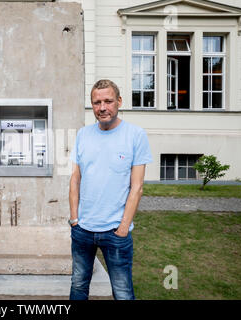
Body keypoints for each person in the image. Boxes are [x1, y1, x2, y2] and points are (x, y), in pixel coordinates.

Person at [68, 79, 152, 300]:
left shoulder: (135, 135)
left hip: (116, 231)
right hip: (83, 230)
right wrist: (74, 219)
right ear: (92, 105)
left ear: (119, 101)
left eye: (108, 101)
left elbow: (137, 187)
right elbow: (75, 179)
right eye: (97, 102)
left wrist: (123, 227)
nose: (102, 107)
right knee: (78, 286)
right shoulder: (82, 135)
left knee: (123, 292)